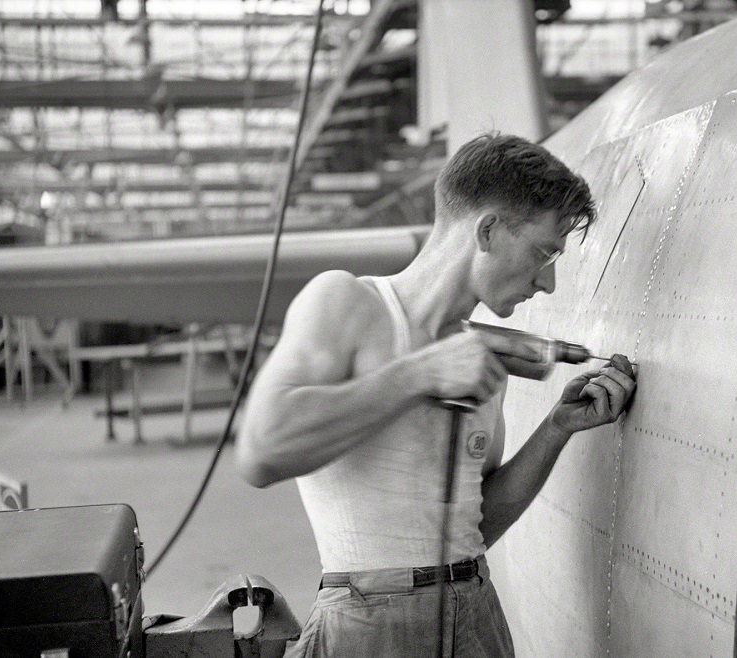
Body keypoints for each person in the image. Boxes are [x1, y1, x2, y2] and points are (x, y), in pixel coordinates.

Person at [237, 132, 637, 657]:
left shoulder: (475, 356)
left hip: (476, 614)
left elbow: (471, 529)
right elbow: (261, 453)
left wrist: (556, 430)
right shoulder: (349, 303)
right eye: (544, 252)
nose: (549, 282)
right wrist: (418, 374)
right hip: (367, 623)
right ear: (488, 230)